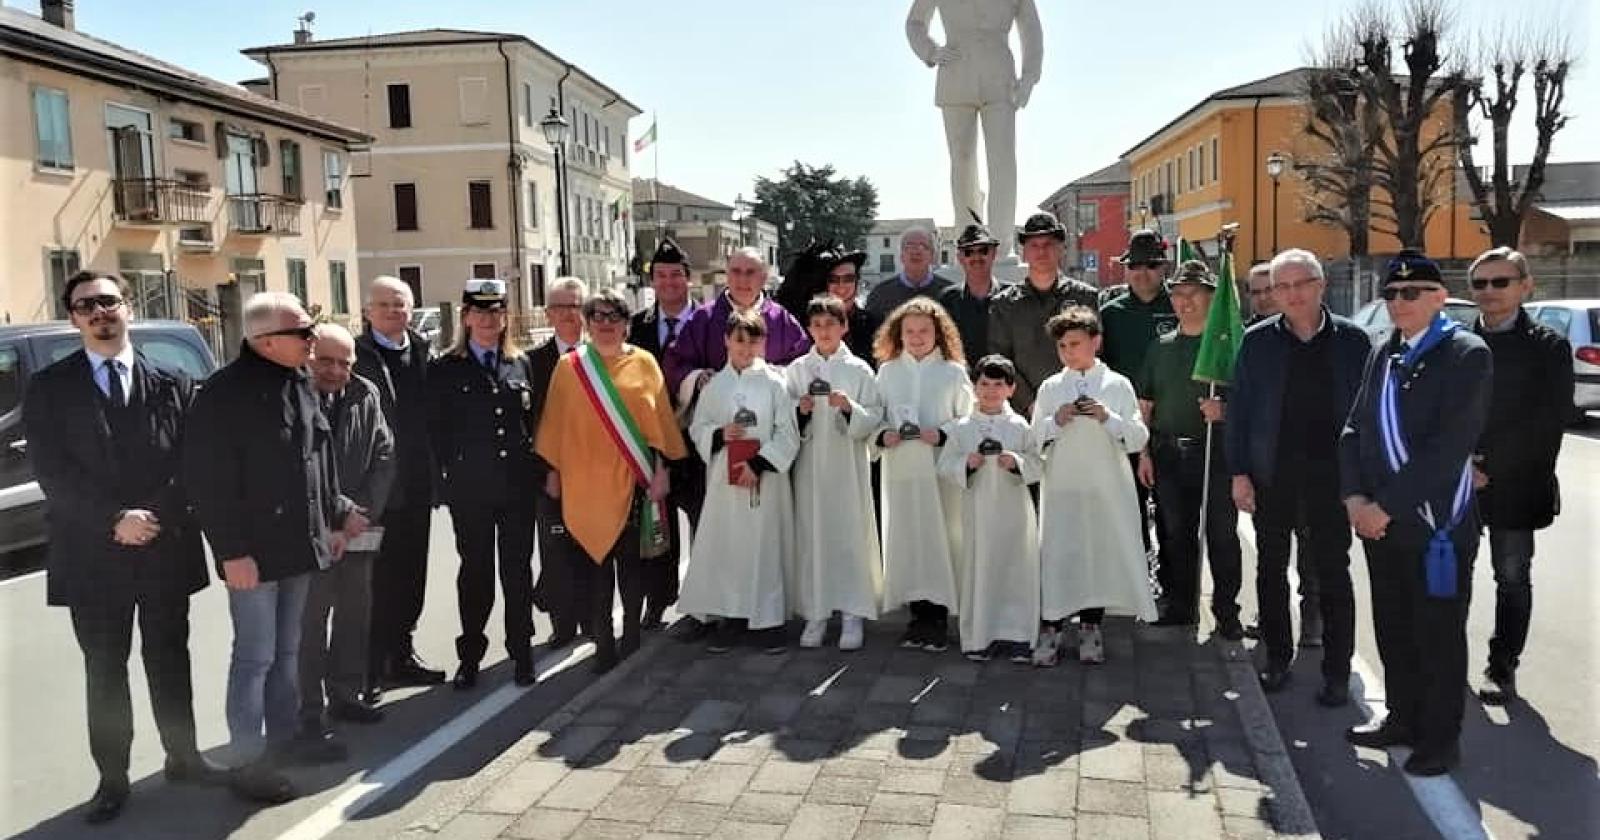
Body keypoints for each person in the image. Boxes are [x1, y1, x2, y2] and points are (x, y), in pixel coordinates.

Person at [23, 272, 220, 824]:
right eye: (87, 306)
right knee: (105, 668)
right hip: (91, 552)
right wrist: (114, 520)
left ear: (127, 309)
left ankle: (184, 756)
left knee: (169, 657)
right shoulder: (50, 388)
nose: (100, 312)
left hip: (163, 545)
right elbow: (52, 472)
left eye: (109, 301)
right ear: (74, 319)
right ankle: (112, 777)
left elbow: (191, 462)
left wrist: (154, 516)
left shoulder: (174, 382)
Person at [185, 292, 353, 803]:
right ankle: (249, 760)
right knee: (255, 657)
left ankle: (283, 743)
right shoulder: (222, 395)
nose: (312, 340)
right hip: (252, 554)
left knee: (287, 653)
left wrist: (336, 513)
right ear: (265, 340)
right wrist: (231, 551)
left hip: (298, 547)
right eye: (304, 333)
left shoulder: (299, 383)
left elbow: (315, 459)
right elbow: (206, 483)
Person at [1340, 249, 1491, 777]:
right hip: (1380, 525)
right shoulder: (1384, 351)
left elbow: (1449, 449)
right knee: (1394, 628)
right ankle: (1401, 718)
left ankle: (1440, 739)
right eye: (1391, 294)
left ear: (1438, 297)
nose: (1399, 302)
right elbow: (1355, 428)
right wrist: (1355, 499)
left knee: (1438, 636)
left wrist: (1385, 506)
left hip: (1433, 527)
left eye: (1411, 293)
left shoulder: (1467, 354)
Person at [1227, 250, 1369, 706]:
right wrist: (1240, 473)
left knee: (1333, 572)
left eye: (1300, 284)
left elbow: (1368, 416)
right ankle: (1276, 658)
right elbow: (1241, 413)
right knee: (1270, 569)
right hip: (1274, 474)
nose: (1290, 294)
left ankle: (1336, 671)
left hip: (1334, 477)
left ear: (1320, 285)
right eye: (1280, 287)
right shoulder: (1258, 342)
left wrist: (1364, 480)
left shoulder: (1354, 342)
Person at [538, 289, 688, 671]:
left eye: (614, 317)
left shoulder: (645, 363)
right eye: (598, 317)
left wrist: (661, 472)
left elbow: (663, 425)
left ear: (626, 324)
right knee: (594, 570)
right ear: (587, 324)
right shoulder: (570, 367)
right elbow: (554, 425)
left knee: (631, 568)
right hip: (584, 485)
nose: (606, 324)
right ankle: (603, 646)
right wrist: (553, 472)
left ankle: (632, 639)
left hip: (632, 480)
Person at [1466, 247, 1574, 705]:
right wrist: (1462, 465)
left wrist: (1489, 468)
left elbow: (1547, 424)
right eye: (1481, 283)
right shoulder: (1456, 341)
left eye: (1501, 282)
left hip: (1516, 484)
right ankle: (1445, 663)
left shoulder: (1548, 346)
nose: (1490, 292)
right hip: (1460, 482)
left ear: (1525, 286)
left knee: (1511, 577)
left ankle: (1502, 667)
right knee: (1449, 576)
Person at [427, 279, 539, 690]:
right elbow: (435, 433)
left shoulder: (519, 364)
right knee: (476, 573)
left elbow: (531, 425)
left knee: (517, 571)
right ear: (466, 317)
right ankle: (470, 656)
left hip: (516, 488)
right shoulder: (444, 369)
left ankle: (522, 651)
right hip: (470, 488)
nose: (489, 320)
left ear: (505, 316)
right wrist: (445, 484)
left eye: (496, 312)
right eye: (480, 311)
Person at [1031, 307, 1157, 666]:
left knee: (1095, 556)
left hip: (1106, 488)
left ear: (1095, 342)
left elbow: (1136, 437)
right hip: (1063, 488)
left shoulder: (1118, 385)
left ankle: (1091, 626)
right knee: (1059, 553)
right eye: (1063, 346)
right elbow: (1033, 437)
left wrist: (1107, 417)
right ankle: (1051, 625)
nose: (1069, 352)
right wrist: (1056, 420)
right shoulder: (1051, 387)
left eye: (1076, 343)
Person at [295, 324, 396, 759]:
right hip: (310, 533)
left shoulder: (365, 393)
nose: (335, 371)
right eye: (326, 361)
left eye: (345, 362)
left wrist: (360, 516)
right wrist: (334, 520)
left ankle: (345, 695)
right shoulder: (293, 395)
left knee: (356, 615)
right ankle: (308, 712)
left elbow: (384, 455)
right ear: (309, 356)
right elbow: (296, 466)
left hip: (358, 527)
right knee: (309, 626)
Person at [679, 310, 801, 655]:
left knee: (764, 546)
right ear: (726, 341)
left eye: (753, 341)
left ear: (764, 342)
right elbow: (697, 428)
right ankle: (732, 616)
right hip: (726, 483)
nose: (746, 349)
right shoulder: (716, 386)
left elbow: (787, 434)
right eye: (739, 340)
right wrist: (720, 433)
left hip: (764, 481)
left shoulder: (775, 383)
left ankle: (768, 620)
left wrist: (759, 463)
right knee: (730, 547)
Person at [1135, 260, 1243, 636]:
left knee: (1222, 535)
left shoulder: (1228, 348)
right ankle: (1181, 604)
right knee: (1175, 533)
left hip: (1215, 453)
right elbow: (1145, 406)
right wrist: (1144, 453)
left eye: (1194, 293)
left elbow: (1251, 401)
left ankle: (1227, 611)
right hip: (1168, 453)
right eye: (1178, 294)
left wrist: (1225, 410)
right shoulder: (1159, 348)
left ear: (1212, 298)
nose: (1186, 301)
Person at [354, 276, 445, 693]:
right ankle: (369, 668)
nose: (393, 311)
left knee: (411, 576)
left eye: (400, 304)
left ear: (411, 310)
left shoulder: (425, 352)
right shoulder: (354, 355)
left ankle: (402, 654)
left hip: (416, 487)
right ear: (368, 310)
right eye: (384, 304)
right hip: (371, 493)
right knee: (369, 582)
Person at [783, 296, 884, 651]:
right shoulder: (797, 370)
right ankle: (816, 612)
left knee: (848, 534)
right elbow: (784, 421)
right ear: (809, 329)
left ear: (844, 327)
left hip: (847, 465)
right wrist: (801, 410)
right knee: (813, 534)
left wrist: (849, 408)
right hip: (811, 466)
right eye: (817, 325)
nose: (824, 331)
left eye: (831, 324)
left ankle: (853, 612)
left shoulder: (859, 370)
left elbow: (875, 417)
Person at [874, 298, 975, 651]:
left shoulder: (952, 371)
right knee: (909, 539)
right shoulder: (887, 372)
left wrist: (944, 433)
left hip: (939, 472)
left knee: (941, 538)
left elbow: (968, 418)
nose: (917, 337)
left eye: (924, 331)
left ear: (939, 333)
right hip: (902, 469)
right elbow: (876, 415)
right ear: (898, 334)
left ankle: (939, 616)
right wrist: (883, 435)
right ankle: (917, 615)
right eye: (909, 331)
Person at [937, 355, 1040, 662]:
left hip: (1014, 514)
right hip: (978, 512)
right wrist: (965, 464)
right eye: (984, 384)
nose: (991, 391)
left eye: (998, 385)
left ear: (1011, 389)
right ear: (973, 387)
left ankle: (1018, 636)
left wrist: (1018, 464)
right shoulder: (961, 428)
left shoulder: (1020, 426)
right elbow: (944, 466)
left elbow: (1038, 464)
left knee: (1015, 569)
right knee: (980, 569)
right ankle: (980, 636)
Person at [628, 240, 706, 630]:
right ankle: (657, 600)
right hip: (652, 446)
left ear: (688, 279)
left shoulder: (709, 322)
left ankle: (700, 603)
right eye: (661, 275)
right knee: (657, 527)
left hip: (698, 444)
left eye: (677, 274)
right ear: (652, 280)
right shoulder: (636, 326)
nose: (669, 282)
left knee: (702, 525)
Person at [1099, 230, 1178, 562]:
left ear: (1163, 268)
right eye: (1135, 266)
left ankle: (1173, 580)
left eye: (1150, 265)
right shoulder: (1111, 313)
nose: (1141, 273)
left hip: (1170, 421)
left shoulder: (1178, 305)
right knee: (1129, 505)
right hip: (1126, 423)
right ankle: (1139, 572)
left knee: (1170, 511)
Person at [665, 247, 809, 414]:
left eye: (750, 272)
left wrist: (775, 375)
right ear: (727, 275)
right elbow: (676, 363)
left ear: (763, 277)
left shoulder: (781, 320)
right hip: (719, 420)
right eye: (736, 271)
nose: (742, 279)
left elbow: (804, 364)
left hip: (770, 418)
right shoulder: (703, 318)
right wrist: (697, 378)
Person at [988, 211, 1098, 413]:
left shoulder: (1085, 298)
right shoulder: (1004, 305)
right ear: (1024, 252)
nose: (1041, 252)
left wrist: (1074, 401)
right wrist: (1031, 405)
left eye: (1048, 244)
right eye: (1034, 246)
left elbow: (1096, 352)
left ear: (1061, 249)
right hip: (1022, 413)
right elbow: (1001, 360)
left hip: (1077, 407)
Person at [529, 277, 588, 646]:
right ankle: (562, 625)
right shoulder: (532, 362)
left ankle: (592, 618)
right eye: (561, 307)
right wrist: (547, 471)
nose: (569, 314)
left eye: (576, 306)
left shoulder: (601, 356)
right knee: (556, 551)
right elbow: (531, 423)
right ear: (548, 313)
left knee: (593, 548)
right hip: (551, 475)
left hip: (595, 474)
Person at [939, 220, 1000, 370]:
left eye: (983, 250)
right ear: (960, 258)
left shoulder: (1011, 297)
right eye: (968, 252)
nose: (976, 257)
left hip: (1002, 386)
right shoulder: (947, 300)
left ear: (994, 254)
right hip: (961, 385)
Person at [864, 226, 954, 319]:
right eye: (909, 246)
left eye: (923, 246)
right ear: (901, 256)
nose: (916, 251)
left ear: (932, 256)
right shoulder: (880, 295)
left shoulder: (951, 294)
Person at [821, 245, 883, 366]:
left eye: (848, 279)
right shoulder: (811, 325)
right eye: (833, 279)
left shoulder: (876, 325)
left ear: (857, 282)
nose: (841, 285)